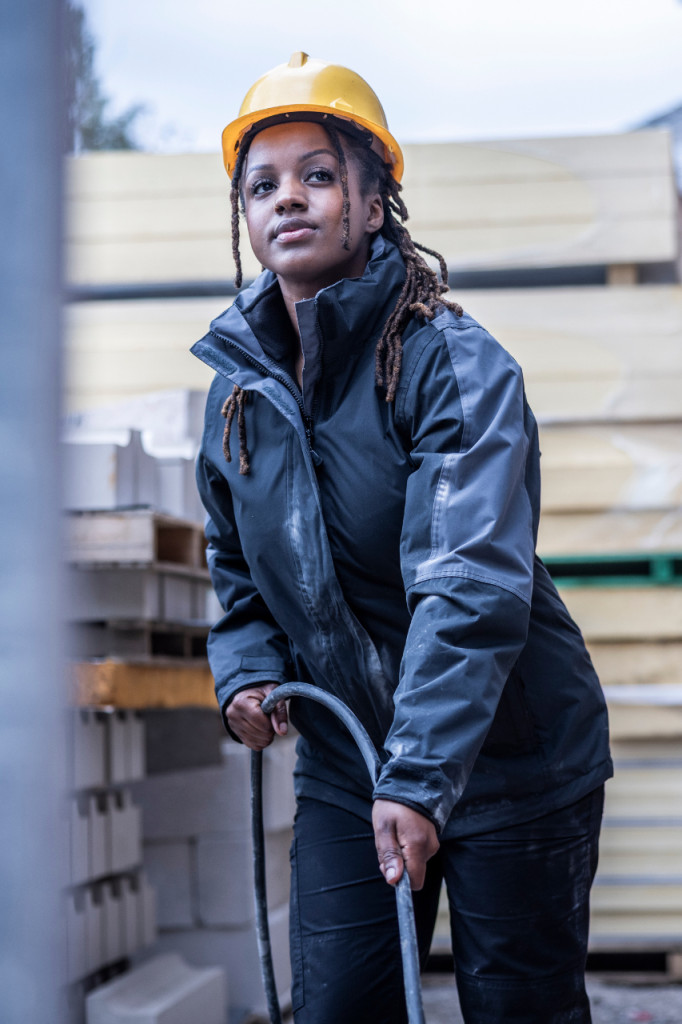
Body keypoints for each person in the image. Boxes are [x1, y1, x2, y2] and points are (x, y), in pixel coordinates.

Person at [192, 52, 613, 1024]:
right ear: (245, 219)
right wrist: (248, 667)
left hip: (514, 758)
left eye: (318, 174)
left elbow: (467, 584)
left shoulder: (449, 365)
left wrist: (421, 779)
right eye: (261, 185)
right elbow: (236, 566)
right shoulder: (237, 398)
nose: (286, 197)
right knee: (342, 1007)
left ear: (374, 204)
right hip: (351, 762)